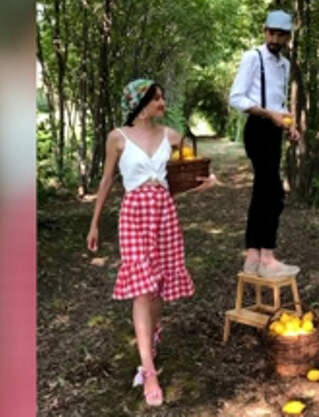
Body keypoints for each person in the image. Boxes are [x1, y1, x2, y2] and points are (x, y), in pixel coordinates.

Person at [86, 79, 215, 407]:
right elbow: (106, 181)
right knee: (142, 288)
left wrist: (205, 182)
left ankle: (153, 331)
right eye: (156, 98)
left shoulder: (171, 135)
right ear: (140, 103)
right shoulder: (117, 137)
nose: (162, 103)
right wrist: (94, 223)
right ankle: (149, 370)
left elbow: (190, 169)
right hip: (133, 215)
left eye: (161, 97)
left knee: (157, 285)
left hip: (164, 213)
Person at [229, 9, 302, 278]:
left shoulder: (284, 65)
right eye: (271, 32)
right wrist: (268, 114)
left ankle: (254, 257)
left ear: (287, 37)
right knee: (273, 192)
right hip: (257, 128)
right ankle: (266, 257)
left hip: (274, 131)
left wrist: (289, 124)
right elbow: (236, 98)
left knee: (264, 191)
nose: (275, 39)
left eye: (281, 35)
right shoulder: (253, 57)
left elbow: (278, 102)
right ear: (264, 30)